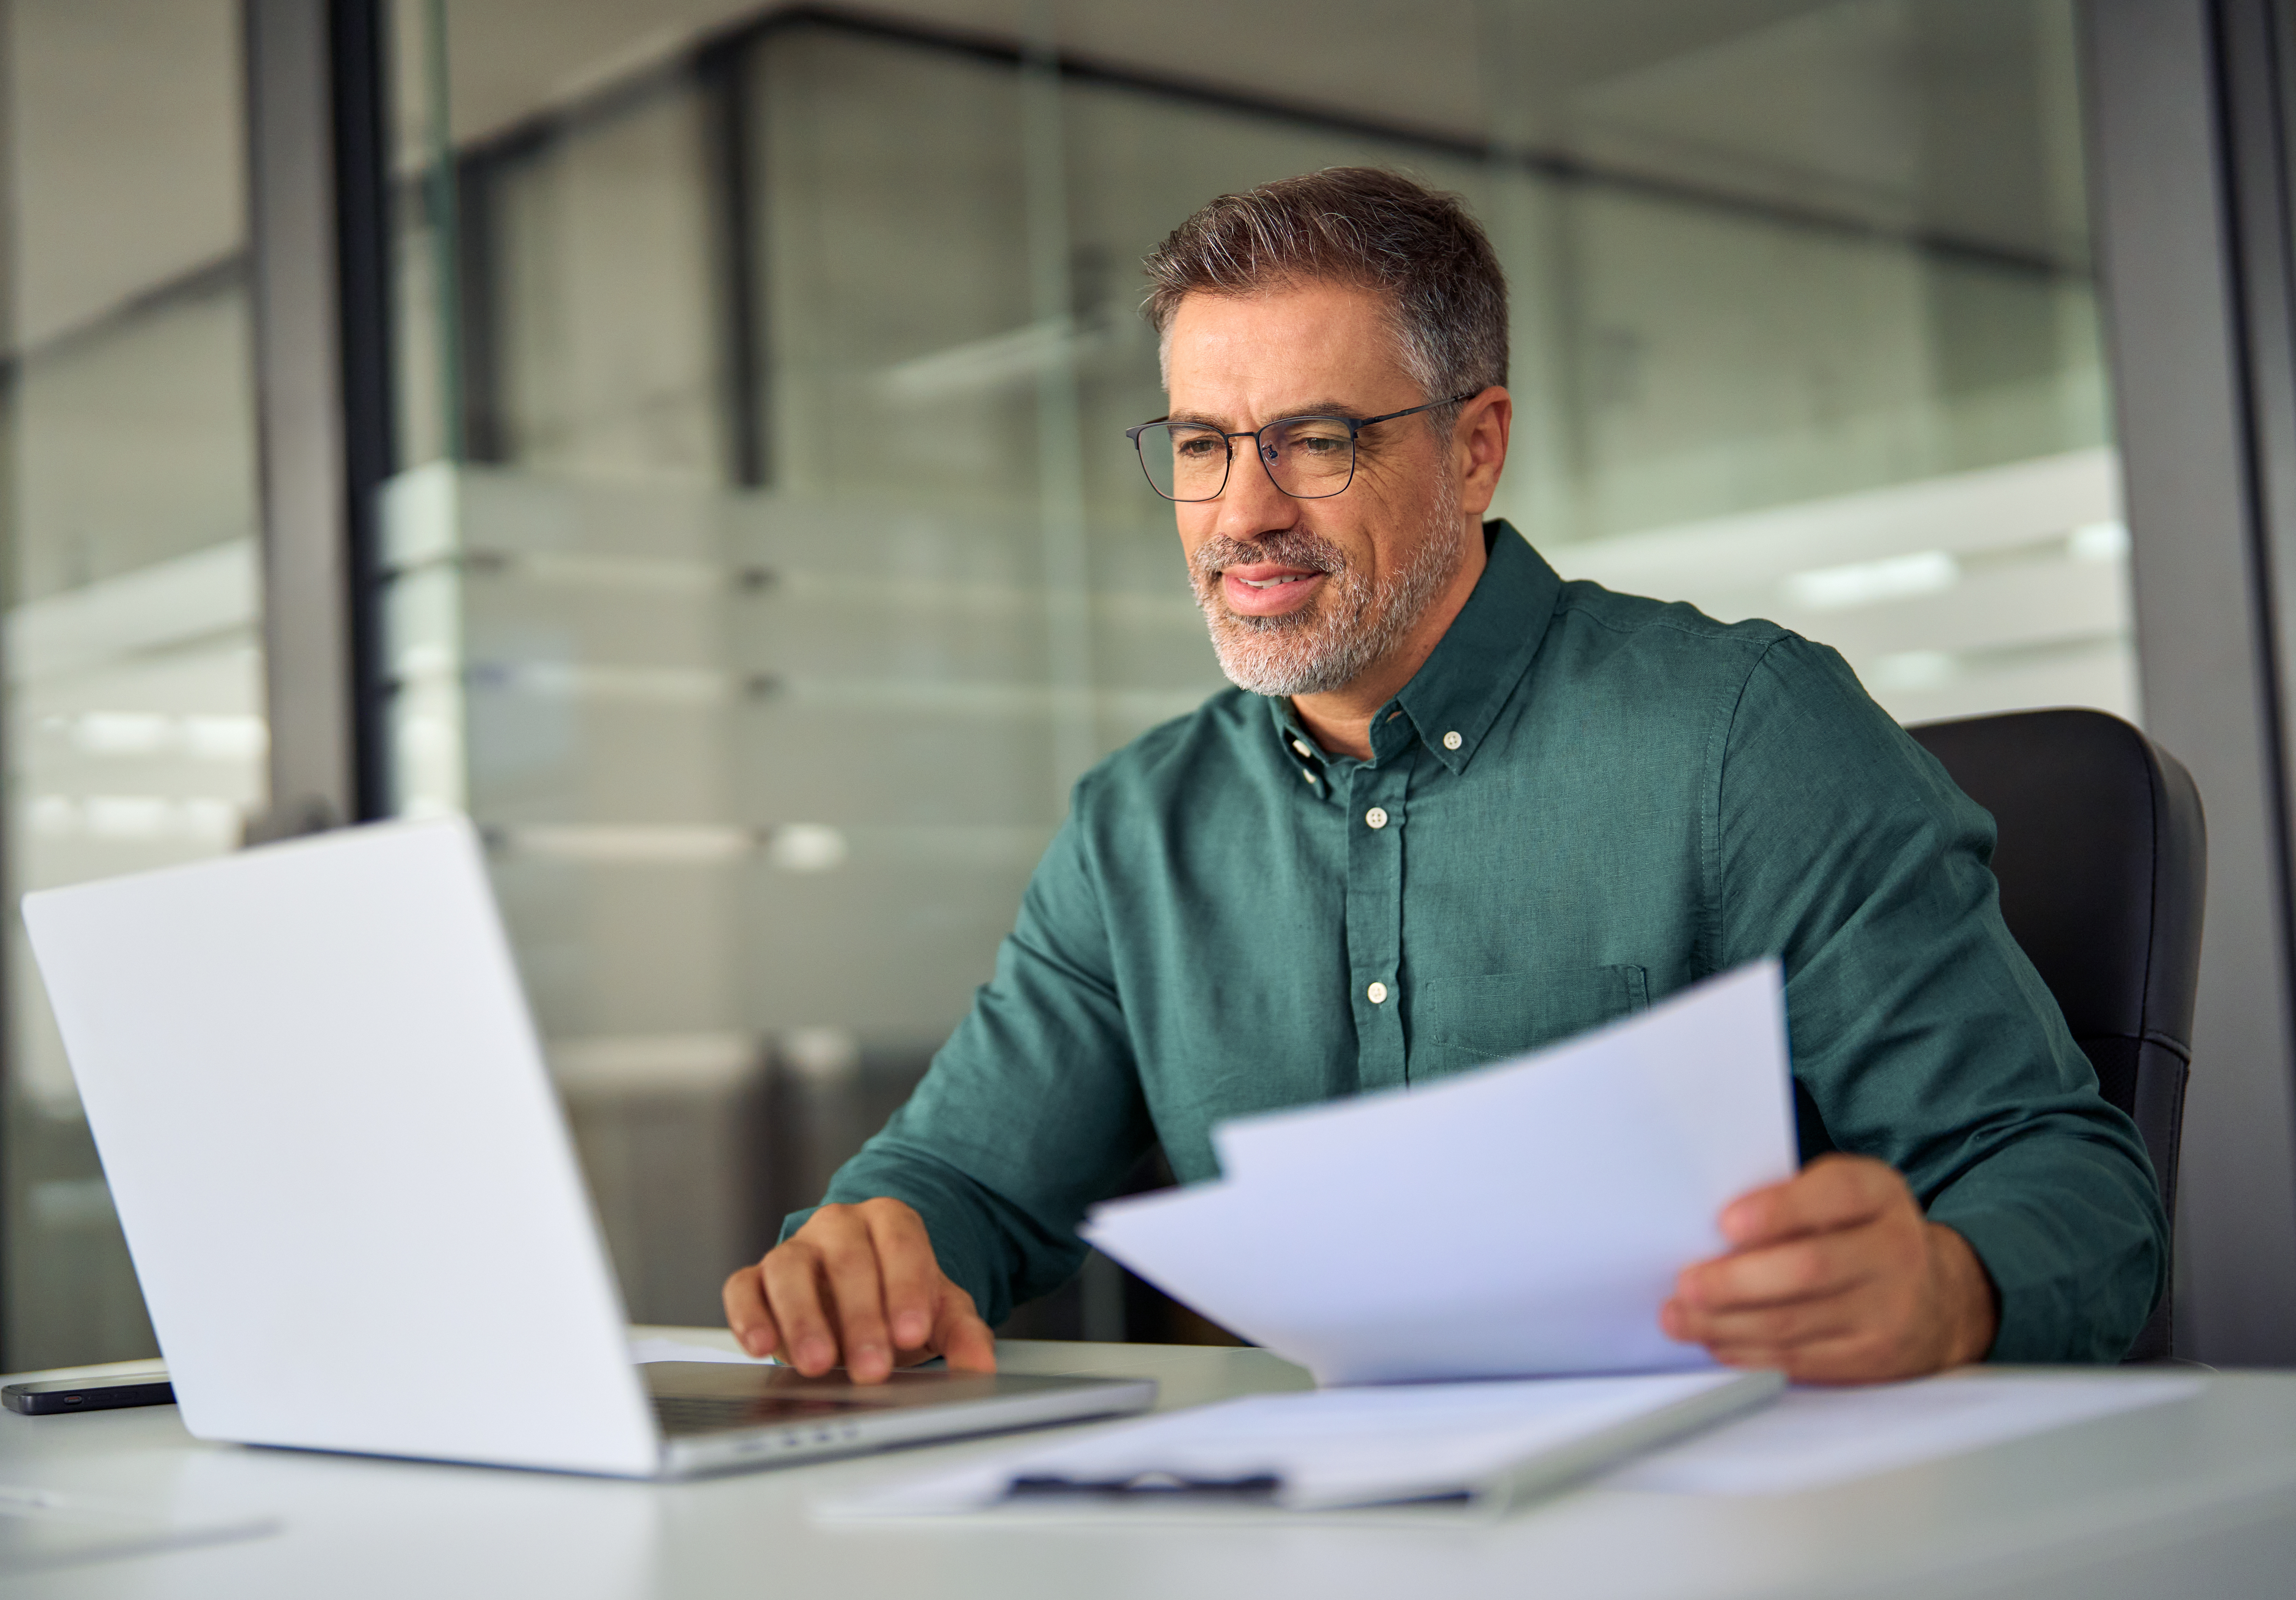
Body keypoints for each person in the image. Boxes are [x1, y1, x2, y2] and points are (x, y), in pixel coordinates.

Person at [722, 167, 2166, 1387]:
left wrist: (1952, 1282)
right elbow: (963, 1185)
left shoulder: (1743, 735)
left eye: (1317, 441)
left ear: (1476, 447)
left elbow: (2065, 1175)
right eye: (1205, 446)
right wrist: (869, 1249)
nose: (1243, 513)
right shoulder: (1135, 830)